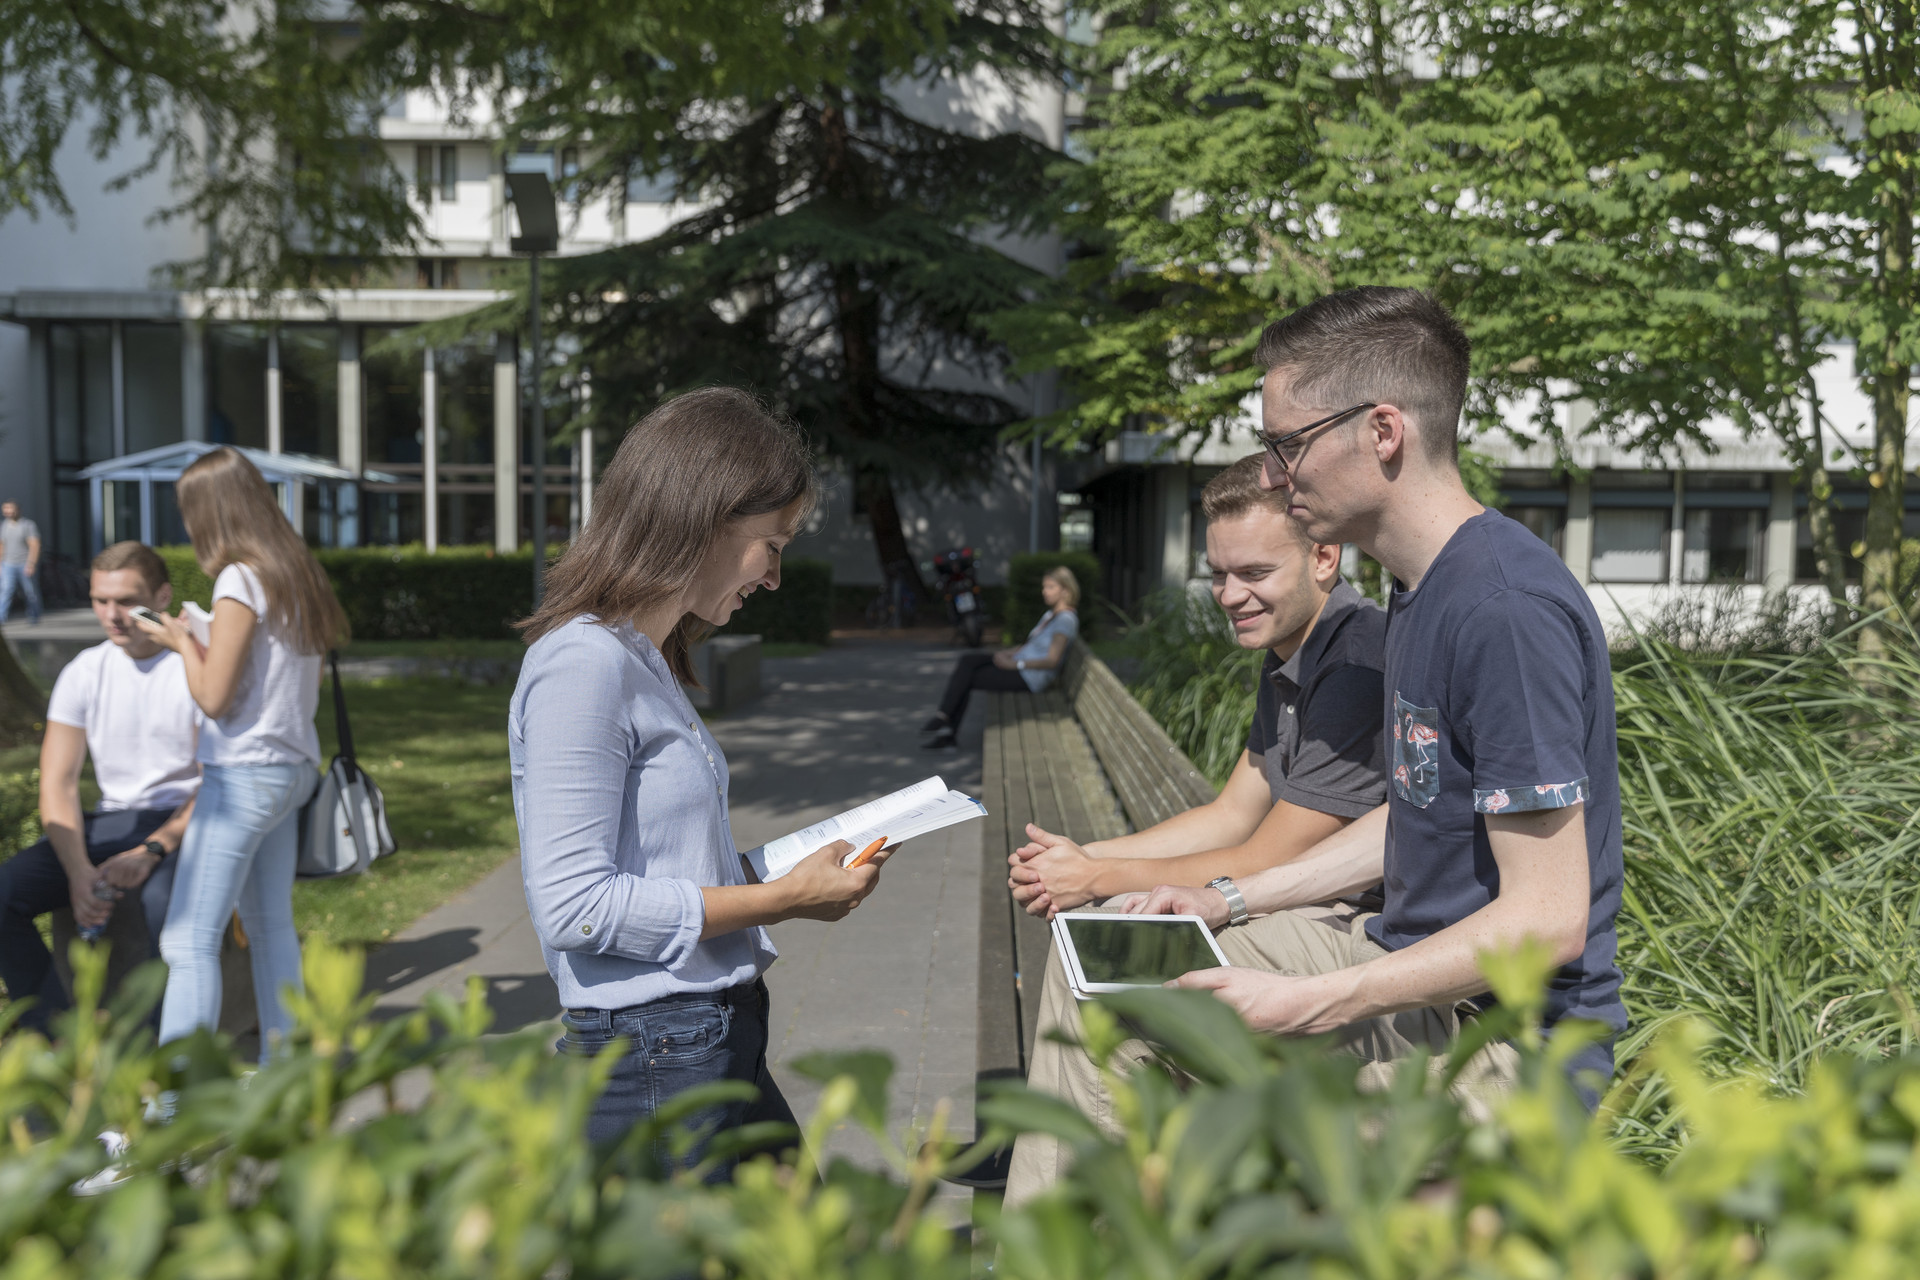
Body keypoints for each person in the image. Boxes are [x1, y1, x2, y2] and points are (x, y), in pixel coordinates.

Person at [1005, 287, 1624, 1206]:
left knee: (1119, 1014)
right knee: (1101, 956)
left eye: (1287, 441)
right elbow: (1412, 818)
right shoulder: (1421, 590)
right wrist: (1220, 897)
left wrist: (1316, 1002)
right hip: (1403, 980)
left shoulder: (1500, 611)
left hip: (1500, 1049)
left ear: (1381, 431)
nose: (1275, 470)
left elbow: (1547, 922)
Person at [512, 387, 888, 1171]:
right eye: (773, 544)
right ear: (706, 518)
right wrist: (780, 901)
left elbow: (664, 872)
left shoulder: (643, 662)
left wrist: (783, 873)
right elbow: (576, 909)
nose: (777, 576)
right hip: (658, 1053)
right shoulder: (583, 666)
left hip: (701, 1038)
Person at [1007, 454, 1388, 922]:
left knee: (1108, 927)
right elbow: (1231, 815)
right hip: (1295, 906)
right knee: (1098, 923)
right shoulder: (1293, 645)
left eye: (1254, 573)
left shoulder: (1355, 667)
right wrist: (1082, 855)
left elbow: (1267, 858)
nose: (1228, 595)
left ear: (1323, 558)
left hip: (1356, 926)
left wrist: (1094, 876)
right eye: (1217, 574)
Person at [134, 447, 346, 1059]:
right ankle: (289, 1071)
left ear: (212, 512)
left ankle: (172, 1109)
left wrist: (178, 640)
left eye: (188, 511)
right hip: (291, 769)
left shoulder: (238, 579)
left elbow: (215, 698)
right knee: (269, 925)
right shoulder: (295, 574)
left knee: (188, 941)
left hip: (244, 776)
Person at [0, 542, 200, 1035]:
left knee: (159, 905)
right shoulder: (84, 671)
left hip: (187, 821)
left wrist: (152, 849)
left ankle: (158, 1054)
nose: (112, 615)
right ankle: (57, 1035)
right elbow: (58, 782)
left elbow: (221, 782)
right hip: (110, 820)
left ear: (163, 595)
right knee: (5, 893)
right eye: (99, 600)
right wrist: (77, 871)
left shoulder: (196, 669)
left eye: (127, 600)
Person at [920, 566, 1080, 749]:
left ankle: (945, 727)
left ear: (1066, 590)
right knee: (968, 661)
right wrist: (1008, 653)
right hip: (1020, 665)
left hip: (1029, 677)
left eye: (1050, 587)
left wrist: (1015, 664)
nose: (1045, 591)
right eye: (1044, 587)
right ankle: (944, 720)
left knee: (968, 677)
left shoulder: (1065, 620)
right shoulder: (1051, 615)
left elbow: (1052, 661)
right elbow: (1031, 644)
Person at [0, 501, 42, 625]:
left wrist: (31, 563)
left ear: (18, 510)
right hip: (8, 564)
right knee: (6, 590)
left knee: (30, 591)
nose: (8, 512)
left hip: (24, 563)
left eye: (10, 509)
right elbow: (2, 545)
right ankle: (1, 617)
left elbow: (34, 545)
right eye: (5, 509)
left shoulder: (27, 525)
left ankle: (34, 616)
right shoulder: (4, 526)